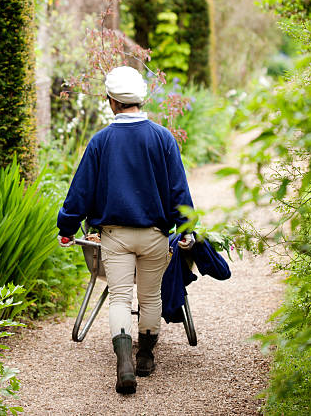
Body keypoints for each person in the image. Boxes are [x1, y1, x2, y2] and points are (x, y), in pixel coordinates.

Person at [57, 66, 194, 394]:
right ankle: (145, 356)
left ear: (111, 102)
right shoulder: (163, 138)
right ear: (140, 99)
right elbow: (178, 189)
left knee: (119, 295)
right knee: (150, 296)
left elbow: (81, 191)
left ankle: (124, 363)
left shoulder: (101, 141)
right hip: (155, 236)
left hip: (115, 235)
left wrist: (67, 227)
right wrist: (187, 228)